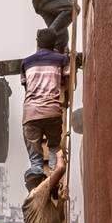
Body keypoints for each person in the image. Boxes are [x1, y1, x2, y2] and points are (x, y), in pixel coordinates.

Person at [19, 30, 68, 180]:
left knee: (35, 156)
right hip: (53, 111)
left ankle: (37, 169)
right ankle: (54, 171)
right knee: (54, 146)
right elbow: (66, 80)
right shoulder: (61, 59)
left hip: (31, 113)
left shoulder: (26, 62)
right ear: (54, 43)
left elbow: (26, 86)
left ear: (38, 43)